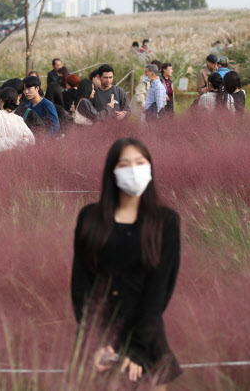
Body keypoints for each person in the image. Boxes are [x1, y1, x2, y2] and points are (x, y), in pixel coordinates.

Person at [71, 137, 181, 387]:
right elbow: (82, 287)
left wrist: (137, 351)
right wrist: (95, 343)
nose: (133, 169)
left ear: (150, 168)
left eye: (140, 162)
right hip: (99, 343)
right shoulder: (90, 218)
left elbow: (158, 293)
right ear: (111, 171)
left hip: (147, 340)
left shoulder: (166, 222)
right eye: (124, 164)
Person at [0, 87, 35, 157]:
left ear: (0, 100)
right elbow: (31, 139)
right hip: (14, 158)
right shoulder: (19, 119)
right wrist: (18, 144)